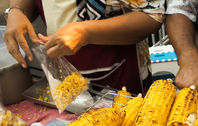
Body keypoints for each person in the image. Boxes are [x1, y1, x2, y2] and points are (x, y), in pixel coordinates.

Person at [4, 0, 165, 94]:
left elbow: (151, 15)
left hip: (120, 76)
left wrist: (86, 32)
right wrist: (16, 10)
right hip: (60, 78)